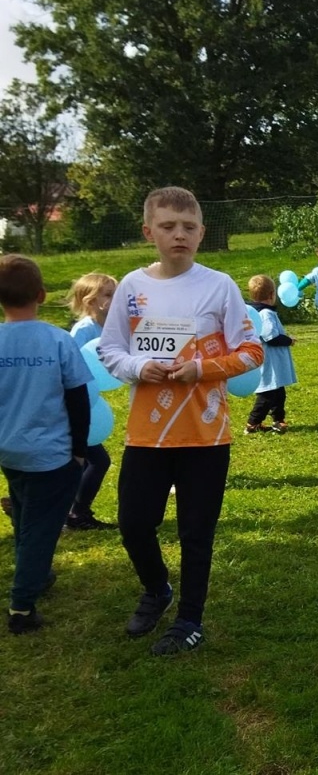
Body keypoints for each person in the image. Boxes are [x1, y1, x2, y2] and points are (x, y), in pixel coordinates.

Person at [99, 186, 264, 656]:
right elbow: (110, 349)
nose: (179, 235)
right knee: (133, 524)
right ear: (149, 231)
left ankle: (189, 618)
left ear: (202, 233)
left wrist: (202, 369)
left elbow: (251, 351)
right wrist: (137, 367)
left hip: (205, 435)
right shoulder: (131, 287)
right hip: (148, 434)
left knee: (196, 532)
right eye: (168, 226)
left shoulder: (219, 286)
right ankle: (156, 589)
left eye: (189, 227)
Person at [0, 255, 93, 635]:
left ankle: (36, 574)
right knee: (41, 528)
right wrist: (80, 449)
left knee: (25, 512)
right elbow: (78, 400)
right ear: (41, 294)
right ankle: (22, 607)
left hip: (9, 452)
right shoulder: (57, 339)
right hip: (52, 456)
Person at [64, 271, 118, 530]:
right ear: (90, 301)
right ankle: (76, 513)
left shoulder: (108, 325)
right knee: (97, 460)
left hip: (87, 404)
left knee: (82, 461)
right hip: (73, 405)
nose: (114, 298)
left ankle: (69, 511)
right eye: (108, 294)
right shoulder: (84, 330)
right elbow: (71, 367)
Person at [244, 276, 297, 434]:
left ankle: (278, 420)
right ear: (272, 294)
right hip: (269, 361)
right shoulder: (266, 313)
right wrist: (288, 340)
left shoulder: (262, 312)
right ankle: (252, 423)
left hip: (273, 362)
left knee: (279, 392)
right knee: (267, 394)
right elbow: (271, 337)